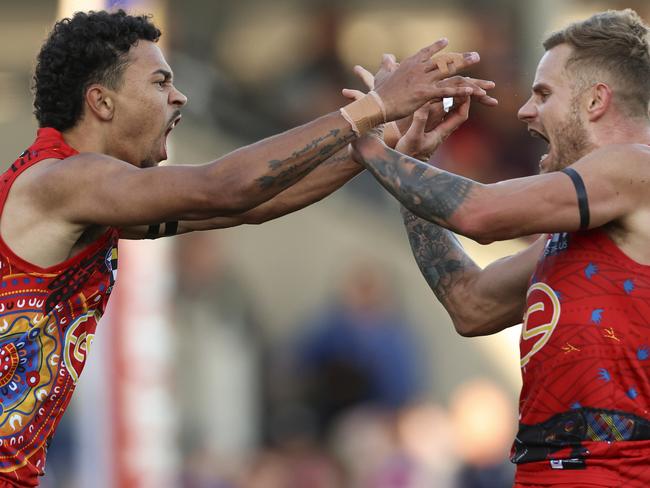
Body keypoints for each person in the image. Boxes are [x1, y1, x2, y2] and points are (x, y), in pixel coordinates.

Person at [0, 8, 496, 486]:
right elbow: (225, 187)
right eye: (160, 82)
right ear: (102, 102)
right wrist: (371, 108)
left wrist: (376, 140)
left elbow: (248, 206)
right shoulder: (68, 179)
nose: (180, 98)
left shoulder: (90, 197)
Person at [351, 8, 650, 488]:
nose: (525, 111)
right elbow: (471, 304)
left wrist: (363, 135)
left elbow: (481, 214)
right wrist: (411, 160)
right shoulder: (580, 231)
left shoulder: (636, 168)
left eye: (543, 94)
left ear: (595, 101)